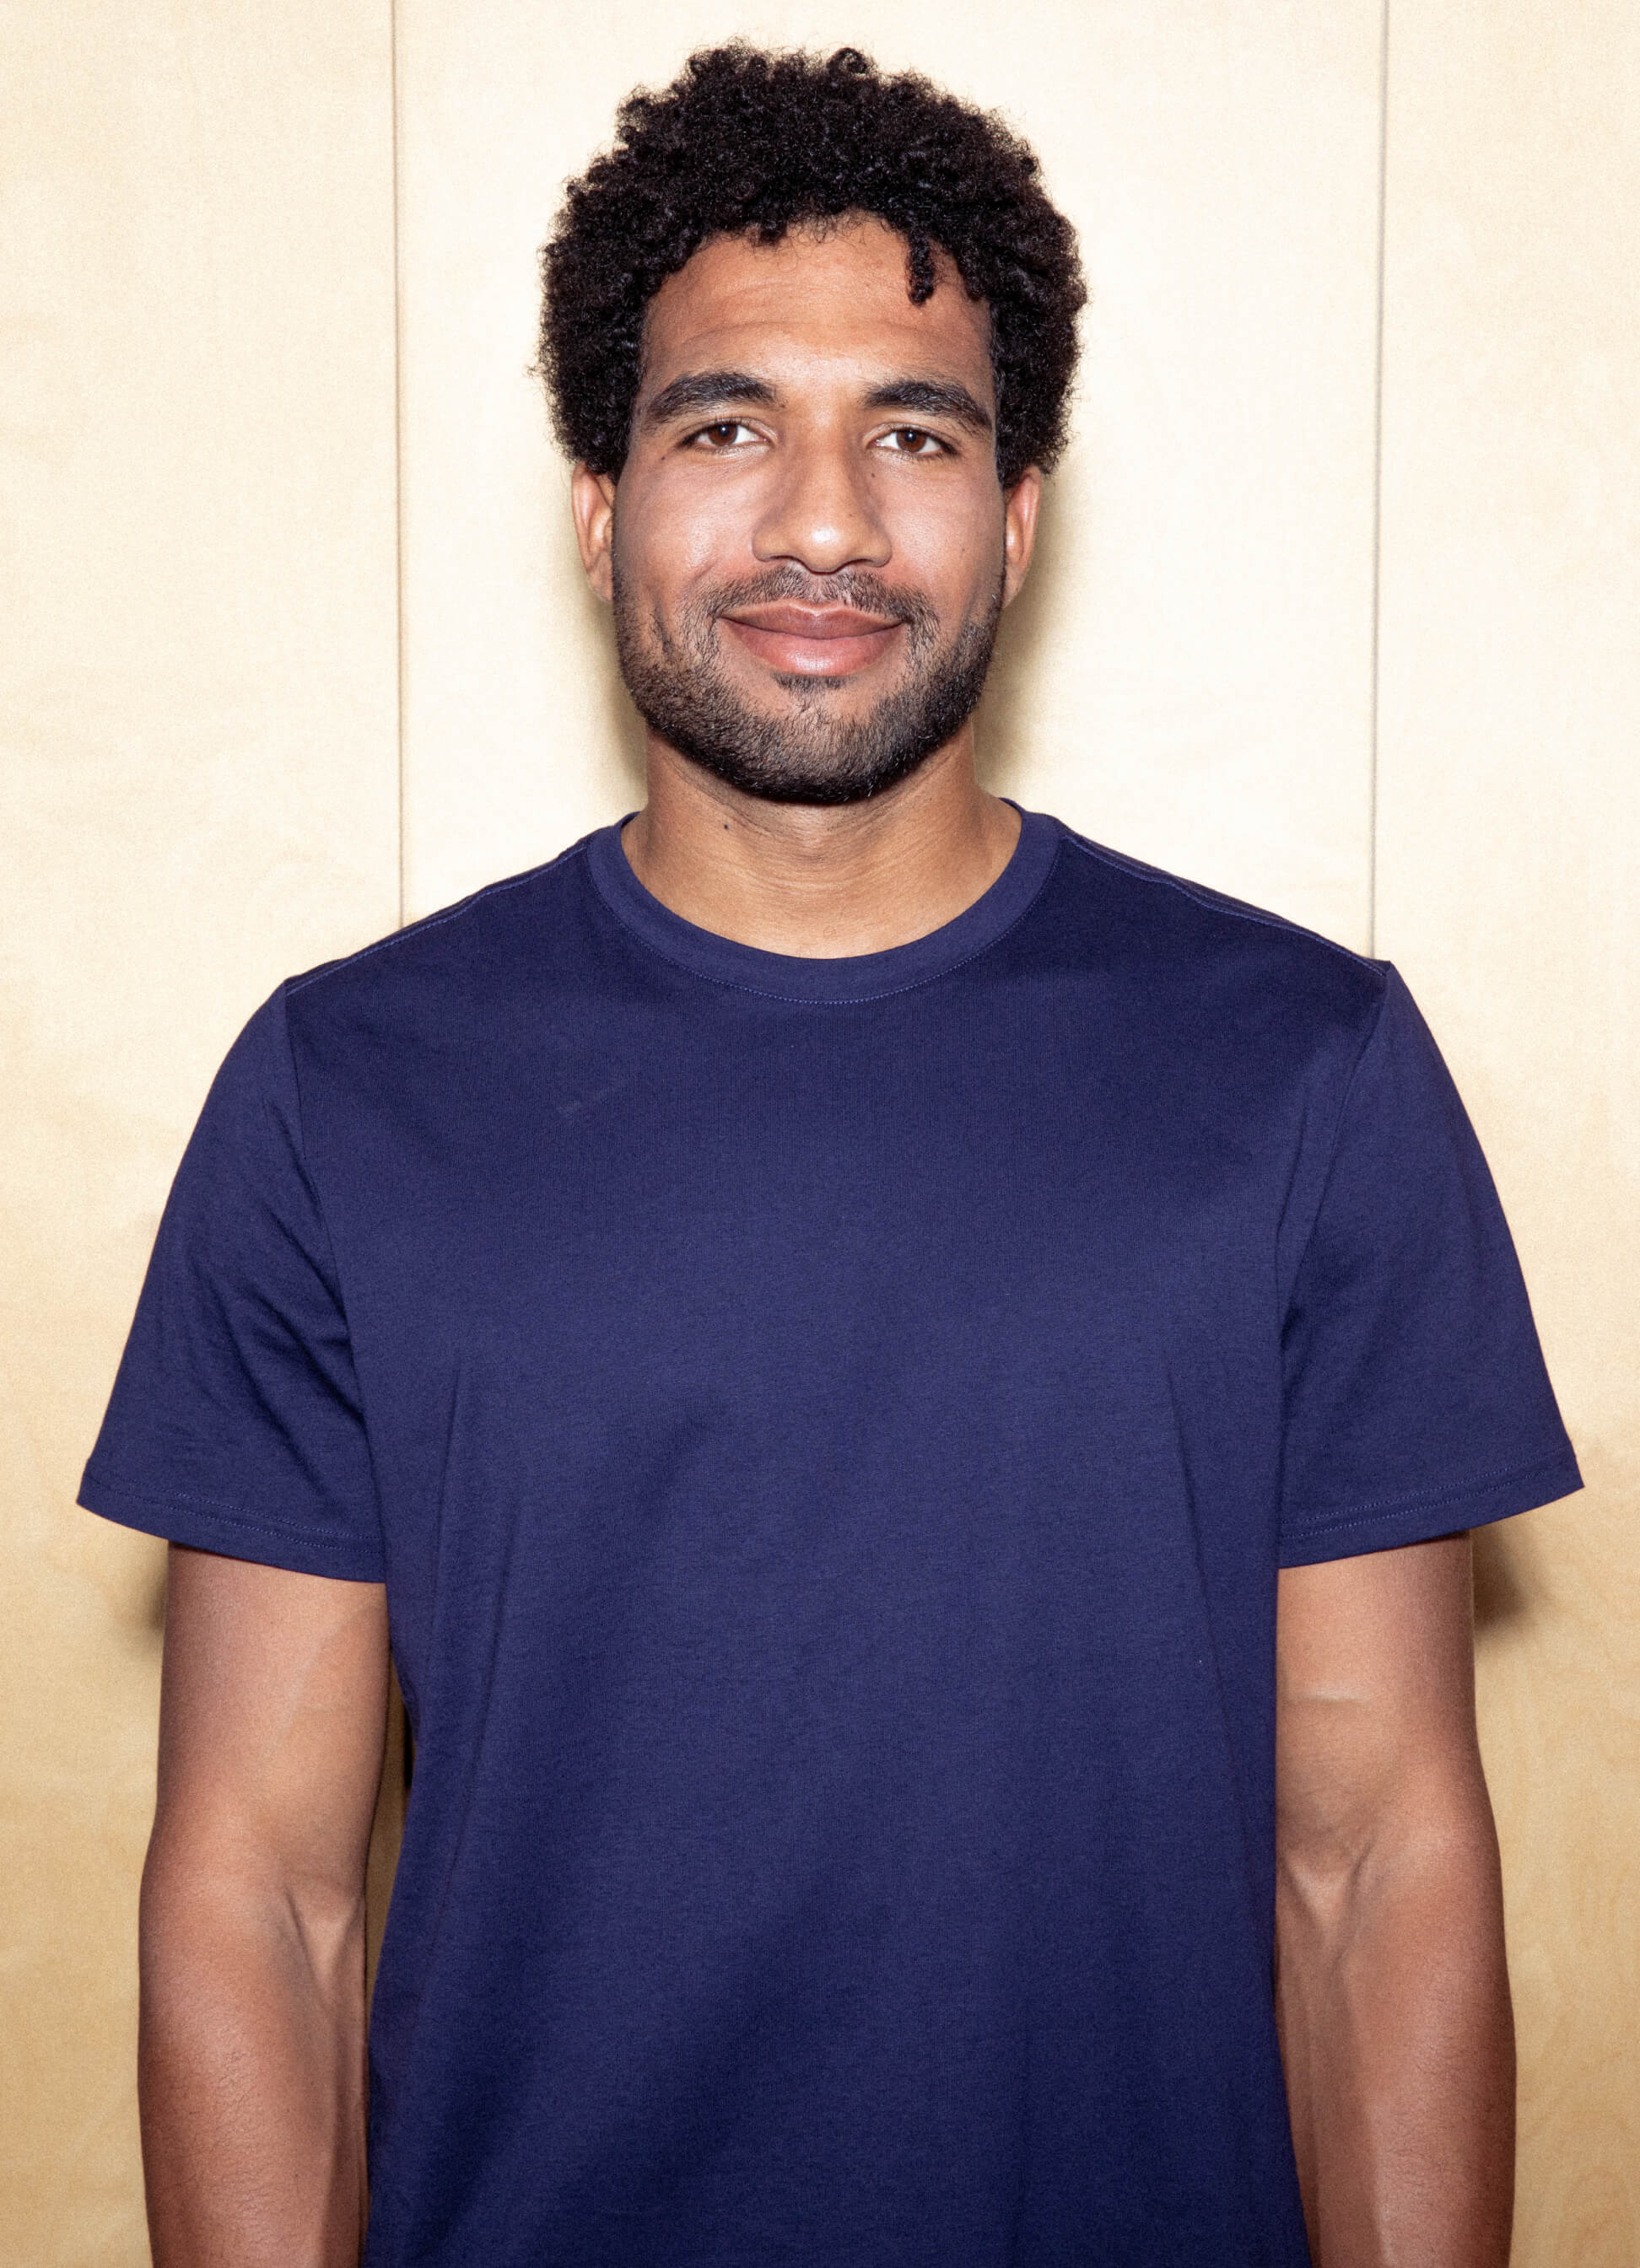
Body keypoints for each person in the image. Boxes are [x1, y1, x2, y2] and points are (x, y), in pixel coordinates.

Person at [83, 43, 1580, 2268]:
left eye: (913, 432)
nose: (820, 524)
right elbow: (264, 1901)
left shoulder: (1304, 1074)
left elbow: (1374, 1872)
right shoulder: (345, 1092)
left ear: (1019, 511)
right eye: (724, 428)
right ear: (600, 503)